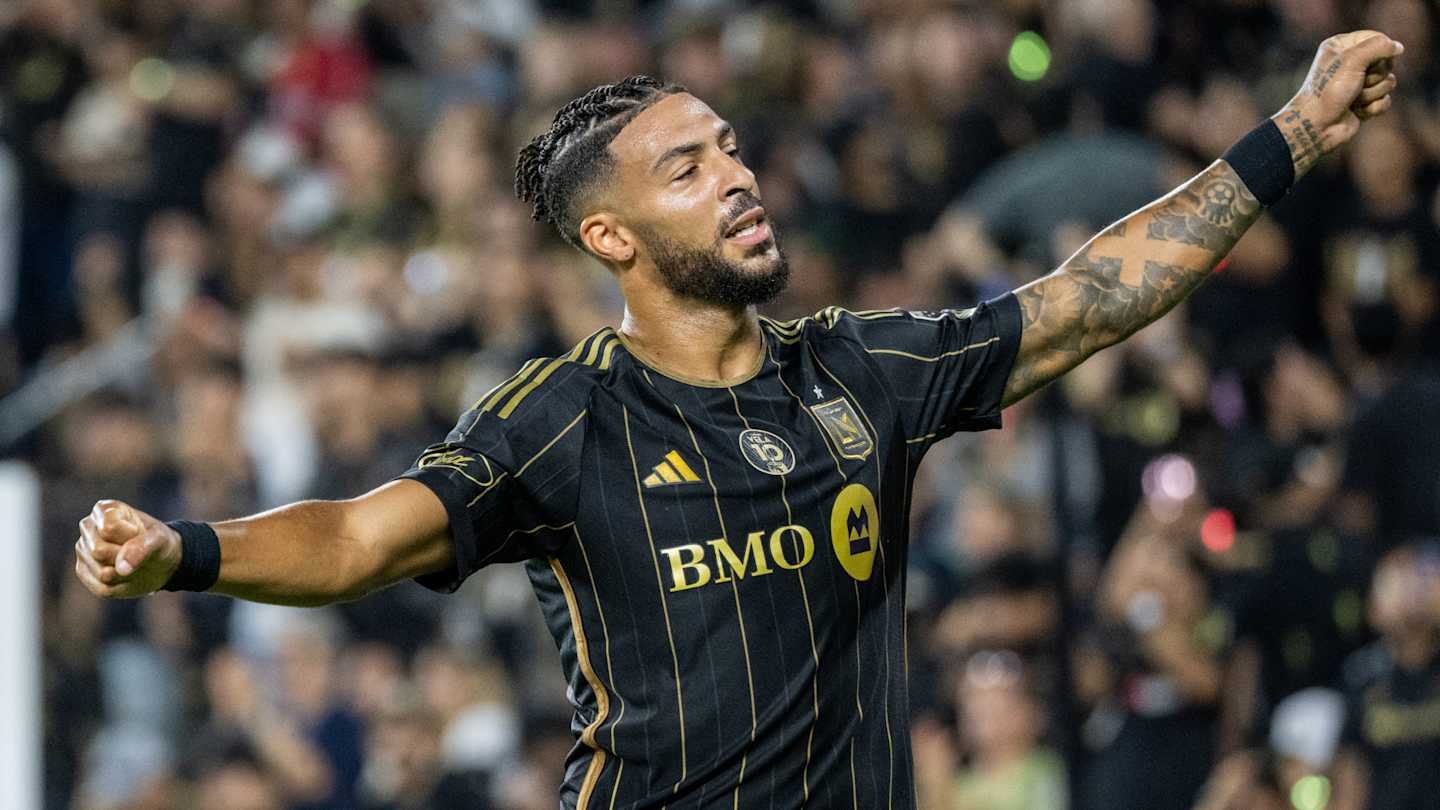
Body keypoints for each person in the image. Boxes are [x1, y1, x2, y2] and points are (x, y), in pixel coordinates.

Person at [74, 31, 1404, 809]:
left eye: (730, 147)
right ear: (612, 235)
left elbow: (1092, 300)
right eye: (687, 165)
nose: (737, 175)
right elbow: (361, 539)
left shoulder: (864, 372)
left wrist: (1292, 130)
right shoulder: (562, 417)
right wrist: (186, 549)